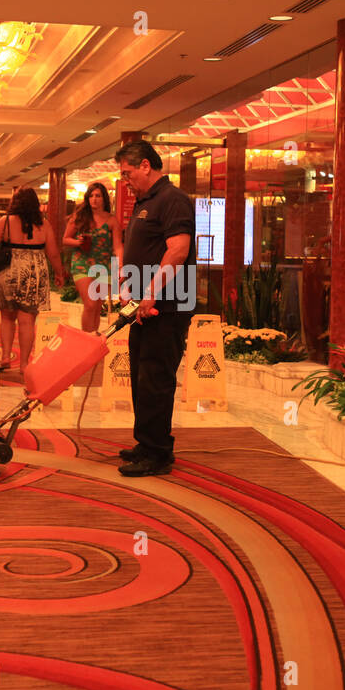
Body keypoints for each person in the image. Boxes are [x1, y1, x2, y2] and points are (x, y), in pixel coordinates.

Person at [113, 141, 196, 478]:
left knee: (157, 378)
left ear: (146, 165)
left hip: (168, 305)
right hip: (144, 305)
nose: (125, 181)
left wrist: (150, 293)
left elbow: (177, 251)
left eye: (128, 173)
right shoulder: (146, 202)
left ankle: (158, 453)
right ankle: (146, 443)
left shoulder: (173, 199)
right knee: (142, 376)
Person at [0, 186, 65, 374]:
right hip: (34, 273)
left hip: (8, 272)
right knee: (27, 321)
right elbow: (52, 253)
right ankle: (24, 364)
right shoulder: (44, 224)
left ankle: (5, 357)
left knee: (7, 317)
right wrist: (60, 273)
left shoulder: (5, 222)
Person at [63, 181, 123, 332]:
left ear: (104, 199)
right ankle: (86, 340)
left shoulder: (111, 220)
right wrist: (78, 242)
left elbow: (117, 246)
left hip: (104, 266)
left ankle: (93, 337)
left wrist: (121, 265)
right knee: (90, 304)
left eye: (98, 196)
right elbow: (65, 239)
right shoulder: (80, 217)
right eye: (91, 196)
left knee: (97, 306)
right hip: (82, 263)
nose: (94, 199)